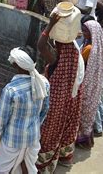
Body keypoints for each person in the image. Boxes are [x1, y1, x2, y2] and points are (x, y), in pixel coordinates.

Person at [36, 13, 84, 172]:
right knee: (65, 126)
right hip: (70, 99)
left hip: (55, 104)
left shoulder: (59, 57)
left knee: (49, 132)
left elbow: (41, 46)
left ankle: (45, 165)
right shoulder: (75, 52)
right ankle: (64, 158)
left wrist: (50, 26)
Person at [0, 47, 50, 174]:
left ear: (17, 64)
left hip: (13, 139)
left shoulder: (11, 90)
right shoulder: (44, 83)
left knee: (4, 170)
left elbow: (1, 118)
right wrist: (35, 125)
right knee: (28, 167)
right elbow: (45, 109)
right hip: (33, 136)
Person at [75, 20, 103, 150]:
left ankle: (85, 142)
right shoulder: (100, 47)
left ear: (93, 32)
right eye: (83, 30)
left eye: (86, 31)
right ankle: (88, 140)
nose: (84, 33)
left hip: (88, 84)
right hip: (96, 84)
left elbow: (79, 63)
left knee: (83, 114)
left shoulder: (89, 48)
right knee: (89, 114)